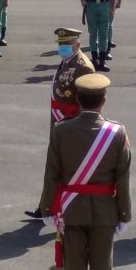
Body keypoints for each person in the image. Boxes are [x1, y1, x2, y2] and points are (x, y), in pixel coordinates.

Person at [39, 73, 131, 270]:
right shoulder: (117, 132)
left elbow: (52, 174)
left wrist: (47, 208)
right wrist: (124, 213)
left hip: (71, 211)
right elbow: (122, 177)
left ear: (78, 100)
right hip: (104, 213)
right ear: (104, 101)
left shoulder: (61, 130)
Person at [24, 27, 95, 220]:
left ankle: (61, 208)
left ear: (77, 44)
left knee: (67, 169)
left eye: (67, 44)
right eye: (61, 44)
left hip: (71, 125)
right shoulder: (67, 61)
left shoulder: (83, 66)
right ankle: (46, 206)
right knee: (54, 166)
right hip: (60, 123)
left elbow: (86, 102)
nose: (63, 47)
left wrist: (78, 128)